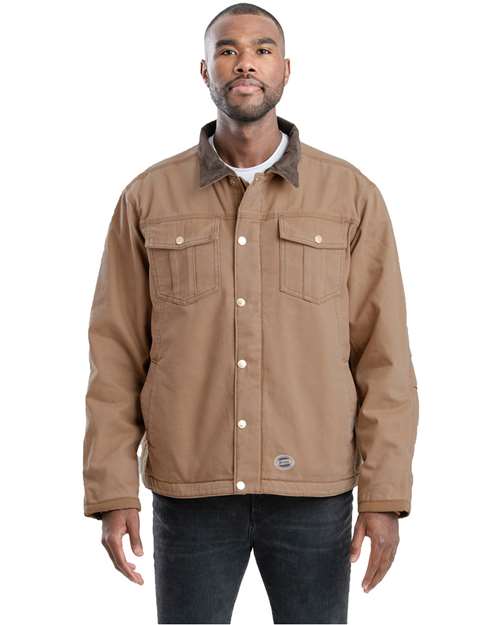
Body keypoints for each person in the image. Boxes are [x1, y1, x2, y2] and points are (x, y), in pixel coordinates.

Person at [82, 3, 419, 623]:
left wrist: (385, 494)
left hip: (314, 491)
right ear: (204, 70)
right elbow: (116, 352)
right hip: (191, 489)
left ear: (285, 70)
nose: (246, 63)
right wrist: (110, 488)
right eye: (228, 50)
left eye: (262, 50)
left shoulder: (350, 196)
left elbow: (384, 355)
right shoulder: (148, 197)